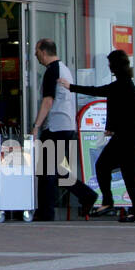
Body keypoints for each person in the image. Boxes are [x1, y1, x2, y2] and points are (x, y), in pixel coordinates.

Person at [60, 49, 135, 222]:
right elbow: (123, 110)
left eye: (110, 64)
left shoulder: (120, 85)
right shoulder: (127, 84)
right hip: (130, 135)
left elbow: (97, 91)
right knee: (126, 173)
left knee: (103, 166)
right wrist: (112, 128)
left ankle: (109, 202)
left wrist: (71, 87)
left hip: (126, 137)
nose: (108, 67)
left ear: (115, 66)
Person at [32, 38, 97, 221]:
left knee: (46, 170)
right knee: (56, 170)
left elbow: (48, 100)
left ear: (44, 52)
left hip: (56, 126)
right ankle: (86, 195)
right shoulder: (65, 69)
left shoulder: (52, 71)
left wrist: (37, 125)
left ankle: (46, 213)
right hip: (66, 126)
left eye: (37, 51)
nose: (36, 55)